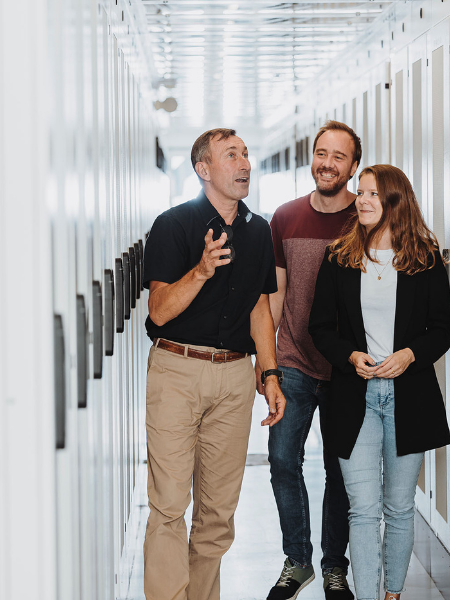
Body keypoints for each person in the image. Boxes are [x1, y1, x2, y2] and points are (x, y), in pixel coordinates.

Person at [141, 128, 286, 600]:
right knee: (168, 505)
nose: (245, 163)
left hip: (233, 377)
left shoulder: (258, 230)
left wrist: (269, 374)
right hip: (177, 371)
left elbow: (259, 308)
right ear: (203, 170)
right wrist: (202, 271)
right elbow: (159, 310)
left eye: (246, 153)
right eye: (231, 155)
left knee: (217, 515)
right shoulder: (173, 225)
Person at [308, 165, 450, 600]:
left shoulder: (424, 258)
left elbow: (441, 327)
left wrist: (410, 355)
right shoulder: (340, 256)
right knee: (363, 509)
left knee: (399, 506)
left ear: (396, 201)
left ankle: (393, 594)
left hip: (409, 397)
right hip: (355, 397)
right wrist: (349, 355)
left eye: (372, 194)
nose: (362, 200)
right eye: (361, 193)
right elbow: (321, 327)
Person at [261, 121, 359, 600]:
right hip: (295, 361)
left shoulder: (364, 220)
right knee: (282, 460)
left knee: (340, 470)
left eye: (338, 156)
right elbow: (275, 297)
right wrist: (269, 367)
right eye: (322, 153)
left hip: (347, 368)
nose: (327, 163)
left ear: (353, 166)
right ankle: (298, 562)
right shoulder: (285, 217)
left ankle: (334, 566)